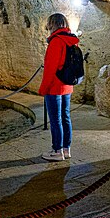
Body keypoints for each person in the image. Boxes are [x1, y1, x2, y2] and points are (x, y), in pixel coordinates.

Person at [38, 13, 78, 162]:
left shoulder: (56, 41)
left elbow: (50, 69)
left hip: (55, 86)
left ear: (52, 24)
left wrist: (43, 88)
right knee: (65, 117)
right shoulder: (72, 41)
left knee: (55, 120)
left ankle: (57, 151)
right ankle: (66, 149)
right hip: (67, 85)